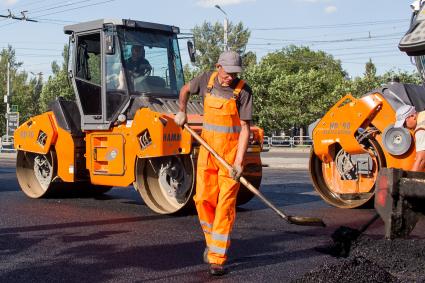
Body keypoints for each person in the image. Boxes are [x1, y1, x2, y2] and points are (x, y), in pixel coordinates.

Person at [174, 51, 253, 276]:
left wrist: (238, 163)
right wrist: (182, 112)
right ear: (218, 67)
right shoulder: (205, 79)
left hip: (229, 156)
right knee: (203, 199)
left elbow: (245, 129)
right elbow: (184, 90)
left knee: (225, 205)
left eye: (235, 74)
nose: (231, 78)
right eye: (228, 73)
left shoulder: (243, 91)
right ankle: (212, 243)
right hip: (207, 152)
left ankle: (217, 258)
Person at [394, 104, 425, 171]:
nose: (404, 127)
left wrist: (411, 179)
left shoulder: (421, 129)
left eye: (404, 123)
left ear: (413, 116)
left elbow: (421, 159)